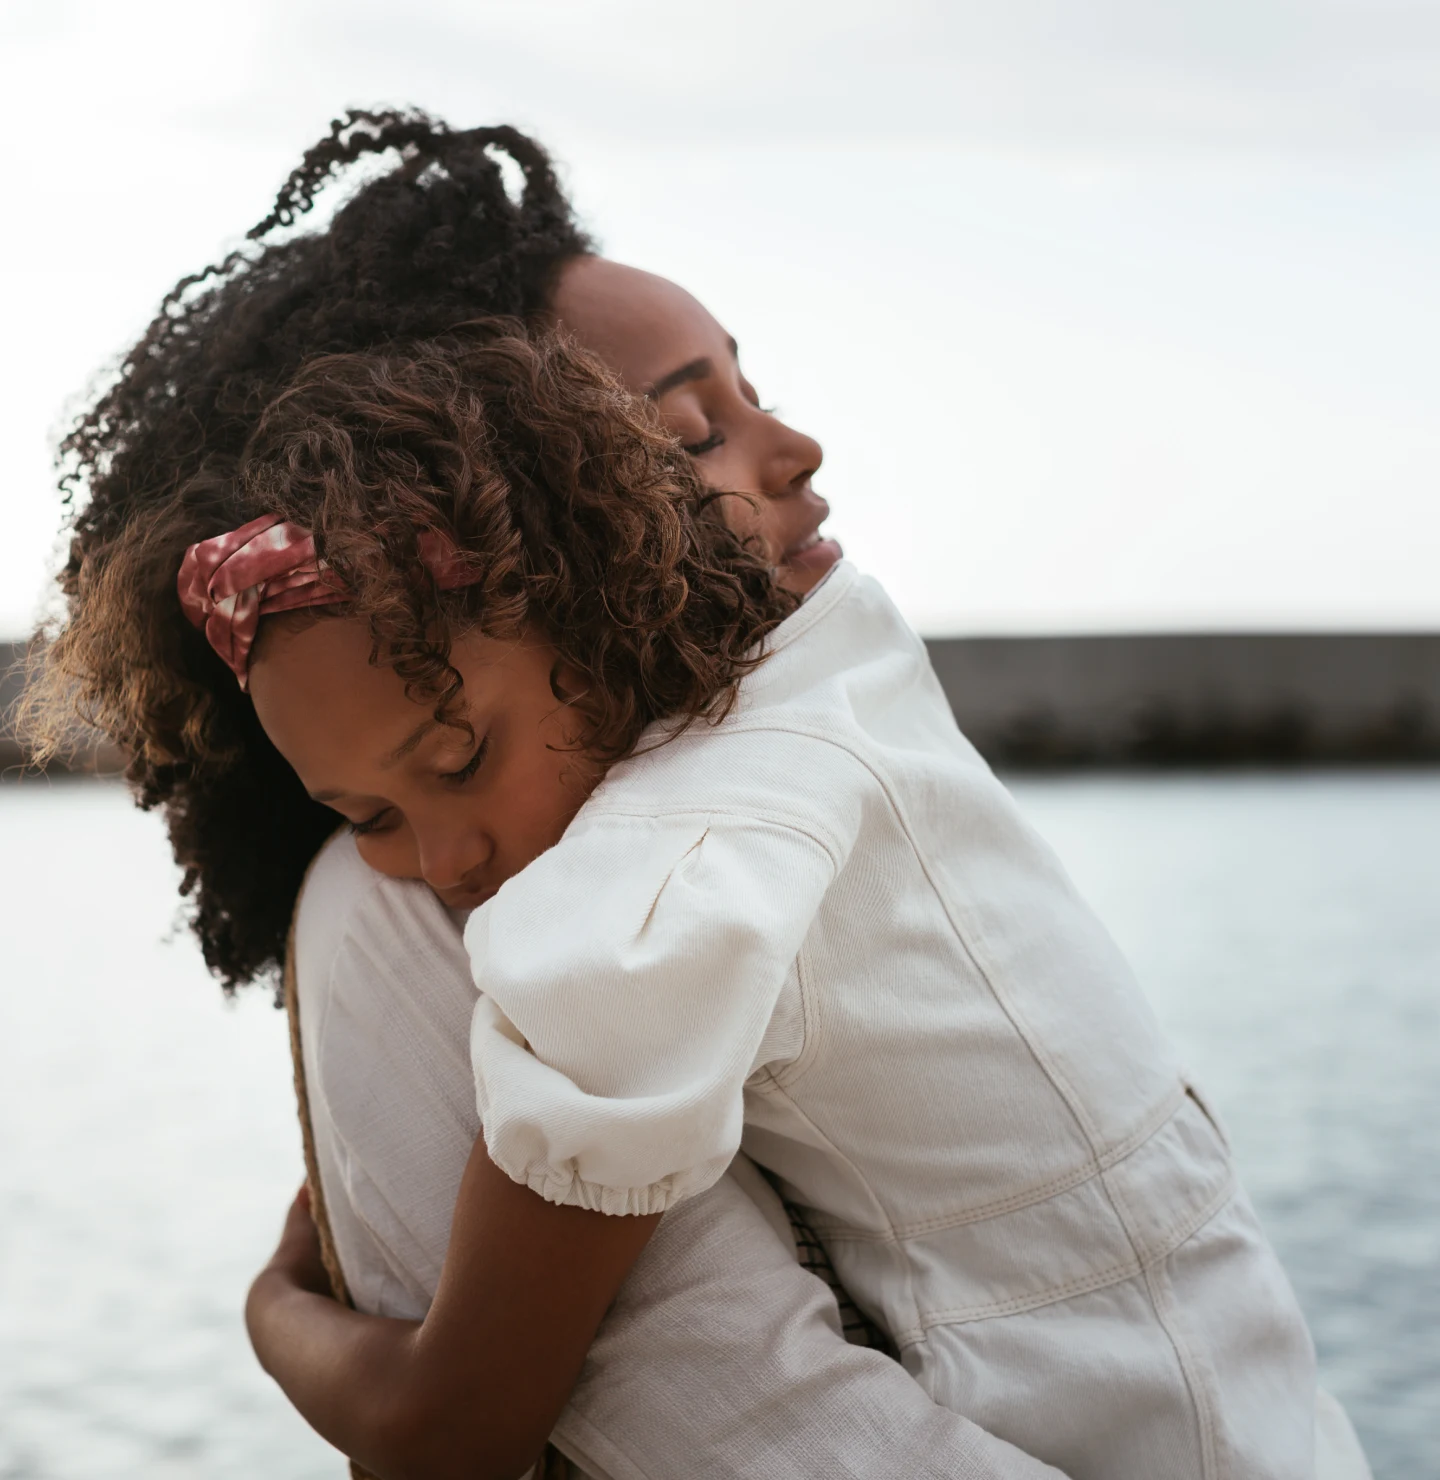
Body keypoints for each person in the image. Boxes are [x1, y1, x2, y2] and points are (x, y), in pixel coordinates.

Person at [22, 110, 1079, 1478]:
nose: (799, 447)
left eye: (747, 390)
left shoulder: (755, 785)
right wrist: (278, 1318)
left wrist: (273, 1318)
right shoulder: (440, 908)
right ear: (560, 532)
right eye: (688, 435)